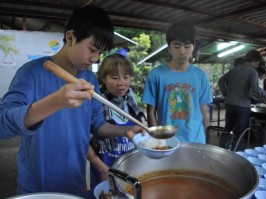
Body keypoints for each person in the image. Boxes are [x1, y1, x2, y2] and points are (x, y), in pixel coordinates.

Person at [0, 6, 144, 196]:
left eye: (100, 52)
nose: (95, 58)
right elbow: (3, 123)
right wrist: (55, 101)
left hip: (74, 182)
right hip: (36, 186)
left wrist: (125, 131)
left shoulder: (90, 79)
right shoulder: (31, 73)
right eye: (92, 49)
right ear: (70, 37)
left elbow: (97, 124)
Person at [142, 21, 213, 144]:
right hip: (167, 141)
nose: (182, 51)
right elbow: (151, 113)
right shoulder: (155, 75)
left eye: (187, 46)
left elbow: (205, 113)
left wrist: (207, 141)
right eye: (177, 46)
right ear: (169, 47)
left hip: (196, 140)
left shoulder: (200, 76)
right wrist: (156, 140)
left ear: (193, 46)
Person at [87, 53, 145, 190]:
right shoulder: (95, 102)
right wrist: (102, 169)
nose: (121, 83)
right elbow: (83, 141)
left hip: (130, 170)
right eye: (114, 78)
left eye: (126, 77)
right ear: (103, 78)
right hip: (104, 169)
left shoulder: (131, 102)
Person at [218, 50, 266, 150]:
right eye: (258, 63)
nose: (257, 65)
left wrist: (227, 94)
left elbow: (221, 81)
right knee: (240, 132)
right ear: (255, 61)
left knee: (227, 129)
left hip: (230, 104)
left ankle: (221, 151)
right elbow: (256, 90)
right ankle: (237, 154)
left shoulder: (234, 70)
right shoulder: (252, 72)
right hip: (243, 107)